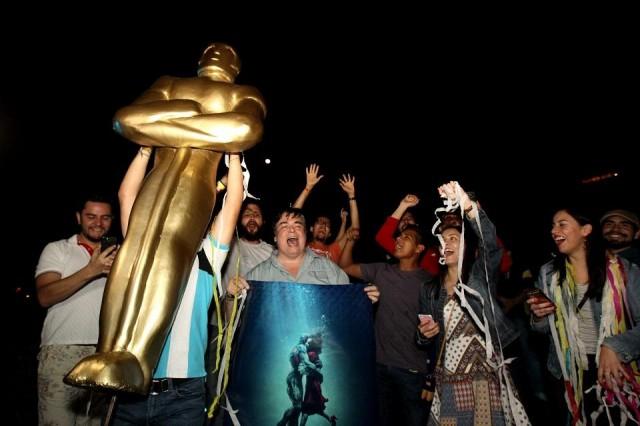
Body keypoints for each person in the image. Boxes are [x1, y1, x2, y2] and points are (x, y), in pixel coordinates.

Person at [66, 42, 266, 394]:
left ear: (237, 64)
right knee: (133, 252)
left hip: (195, 192)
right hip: (155, 183)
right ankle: (109, 350)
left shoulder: (243, 93)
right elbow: (126, 120)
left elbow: (244, 130)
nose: (218, 51)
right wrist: (197, 121)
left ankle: (138, 357)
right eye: (211, 47)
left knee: (170, 255)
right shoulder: (170, 83)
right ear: (200, 56)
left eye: (228, 50)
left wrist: (168, 121)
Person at [106, 147, 244, 424]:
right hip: (131, 391)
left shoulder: (207, 257)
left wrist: (235, 155)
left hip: (183, 395)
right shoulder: (142, 248)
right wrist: (146, 149)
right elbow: (126, 196)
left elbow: (232, 203)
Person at [417, 181, 528, 425]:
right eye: (443, 240)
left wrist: (467, 206)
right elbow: (423, 340)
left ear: (467, 245)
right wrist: (425, 334)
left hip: (486, 377)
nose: (446, 244)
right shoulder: (429, 290)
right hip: (449, 376)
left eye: (454, 238)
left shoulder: (479, 277)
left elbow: (490, 243)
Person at [528, 207, 640, 425]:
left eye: (562, 224)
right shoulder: (548, 273)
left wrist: (614, 345)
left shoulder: (625, 271)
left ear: (586, 230)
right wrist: (539, 316)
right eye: (552, 225)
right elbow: (542, 329)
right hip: (570, 372)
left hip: (616, 369)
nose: (554, 230)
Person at [35, 195, 117, 425]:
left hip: (104, 353)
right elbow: (44, 296)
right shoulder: (58, 249)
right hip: (62, 351)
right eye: (91, 216)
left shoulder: (120, 255)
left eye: (105, 218)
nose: (98, 223)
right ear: (79, 217)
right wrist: (92, 270)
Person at [340, 221, 431, 426]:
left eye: (406, 237)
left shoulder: (429, 283)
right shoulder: (381, 270)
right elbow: (344, 266)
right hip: (379, 367)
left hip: (412, 372)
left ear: (419, 248)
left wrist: (431, 377)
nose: (398, 239)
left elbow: (436, 331)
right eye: (398, 236)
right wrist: (349, 241)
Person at [292, 164, 360, 263]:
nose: (323, 225)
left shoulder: (334, 250)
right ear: (311, 228)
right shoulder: (301, 245)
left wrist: (352, 196)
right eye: (319, 222)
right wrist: (308, 188)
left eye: (327, 224)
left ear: (329, 234)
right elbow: (292, 218)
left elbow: (355, 230)